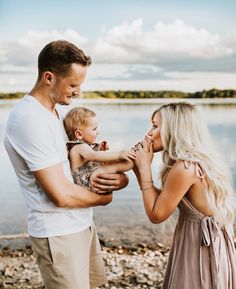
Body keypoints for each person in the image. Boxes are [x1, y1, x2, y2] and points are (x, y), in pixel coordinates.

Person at [4, 40, 129, 289]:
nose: (78, 92)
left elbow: (78, 167)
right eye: (73, 84)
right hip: (58, 233)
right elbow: (60, 195)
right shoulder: (29, 119)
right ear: (48, 77)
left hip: (81, 223)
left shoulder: (58, 114)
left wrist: (118, 179)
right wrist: (104, 199)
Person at [133, 102, 236, 289]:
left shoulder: (185, 168)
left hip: (199, 244)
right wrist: (140, 169)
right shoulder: (194, 161)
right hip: (209, 238)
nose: (149, 133)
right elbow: (162, 202)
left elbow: (157, 214)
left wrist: (145, 169)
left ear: (174, 129)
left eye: (155, 126)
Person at [64, 106, 135, 193]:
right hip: (86, 182)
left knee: (110, 165)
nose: (98, 131)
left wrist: (99, 149)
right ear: (79, 134)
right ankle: (129, 161)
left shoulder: (84, 147)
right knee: (109, 166)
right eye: (94, 129)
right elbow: (93, 156)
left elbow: (91, 158)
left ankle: (129, 162)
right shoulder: (78, 147)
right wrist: (120, 154)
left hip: (91, 179)